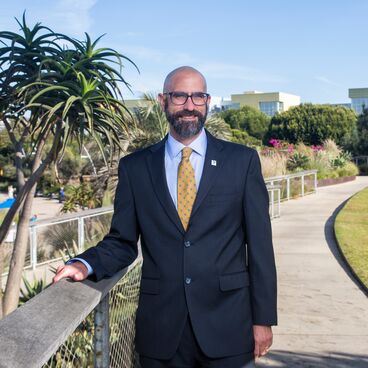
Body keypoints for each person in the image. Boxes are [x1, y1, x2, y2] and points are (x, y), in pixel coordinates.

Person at [53, 66, 277, 368]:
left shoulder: (241, 161)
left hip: (228, 325)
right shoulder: (136, 168)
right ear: (163, 100)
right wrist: (85, 264)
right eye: (180, 96)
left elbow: (261, 246)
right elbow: (122, 241)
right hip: (162, 331)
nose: (189, 105)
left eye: (198, 97)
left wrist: (263, 319)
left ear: (207, 101)